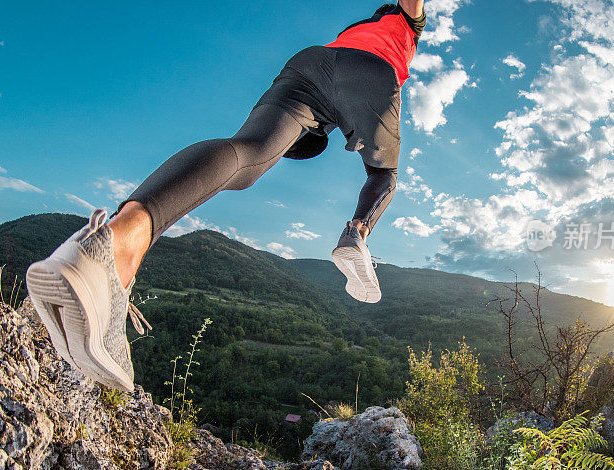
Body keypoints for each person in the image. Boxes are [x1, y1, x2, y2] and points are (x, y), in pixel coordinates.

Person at [26, 1, 427, 392]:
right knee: (383, 175)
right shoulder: (407, 25)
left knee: (248, 154)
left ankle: (108, 248)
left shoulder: (357, 27)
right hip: (372, 71)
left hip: (312, 64)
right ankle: (356, 234)